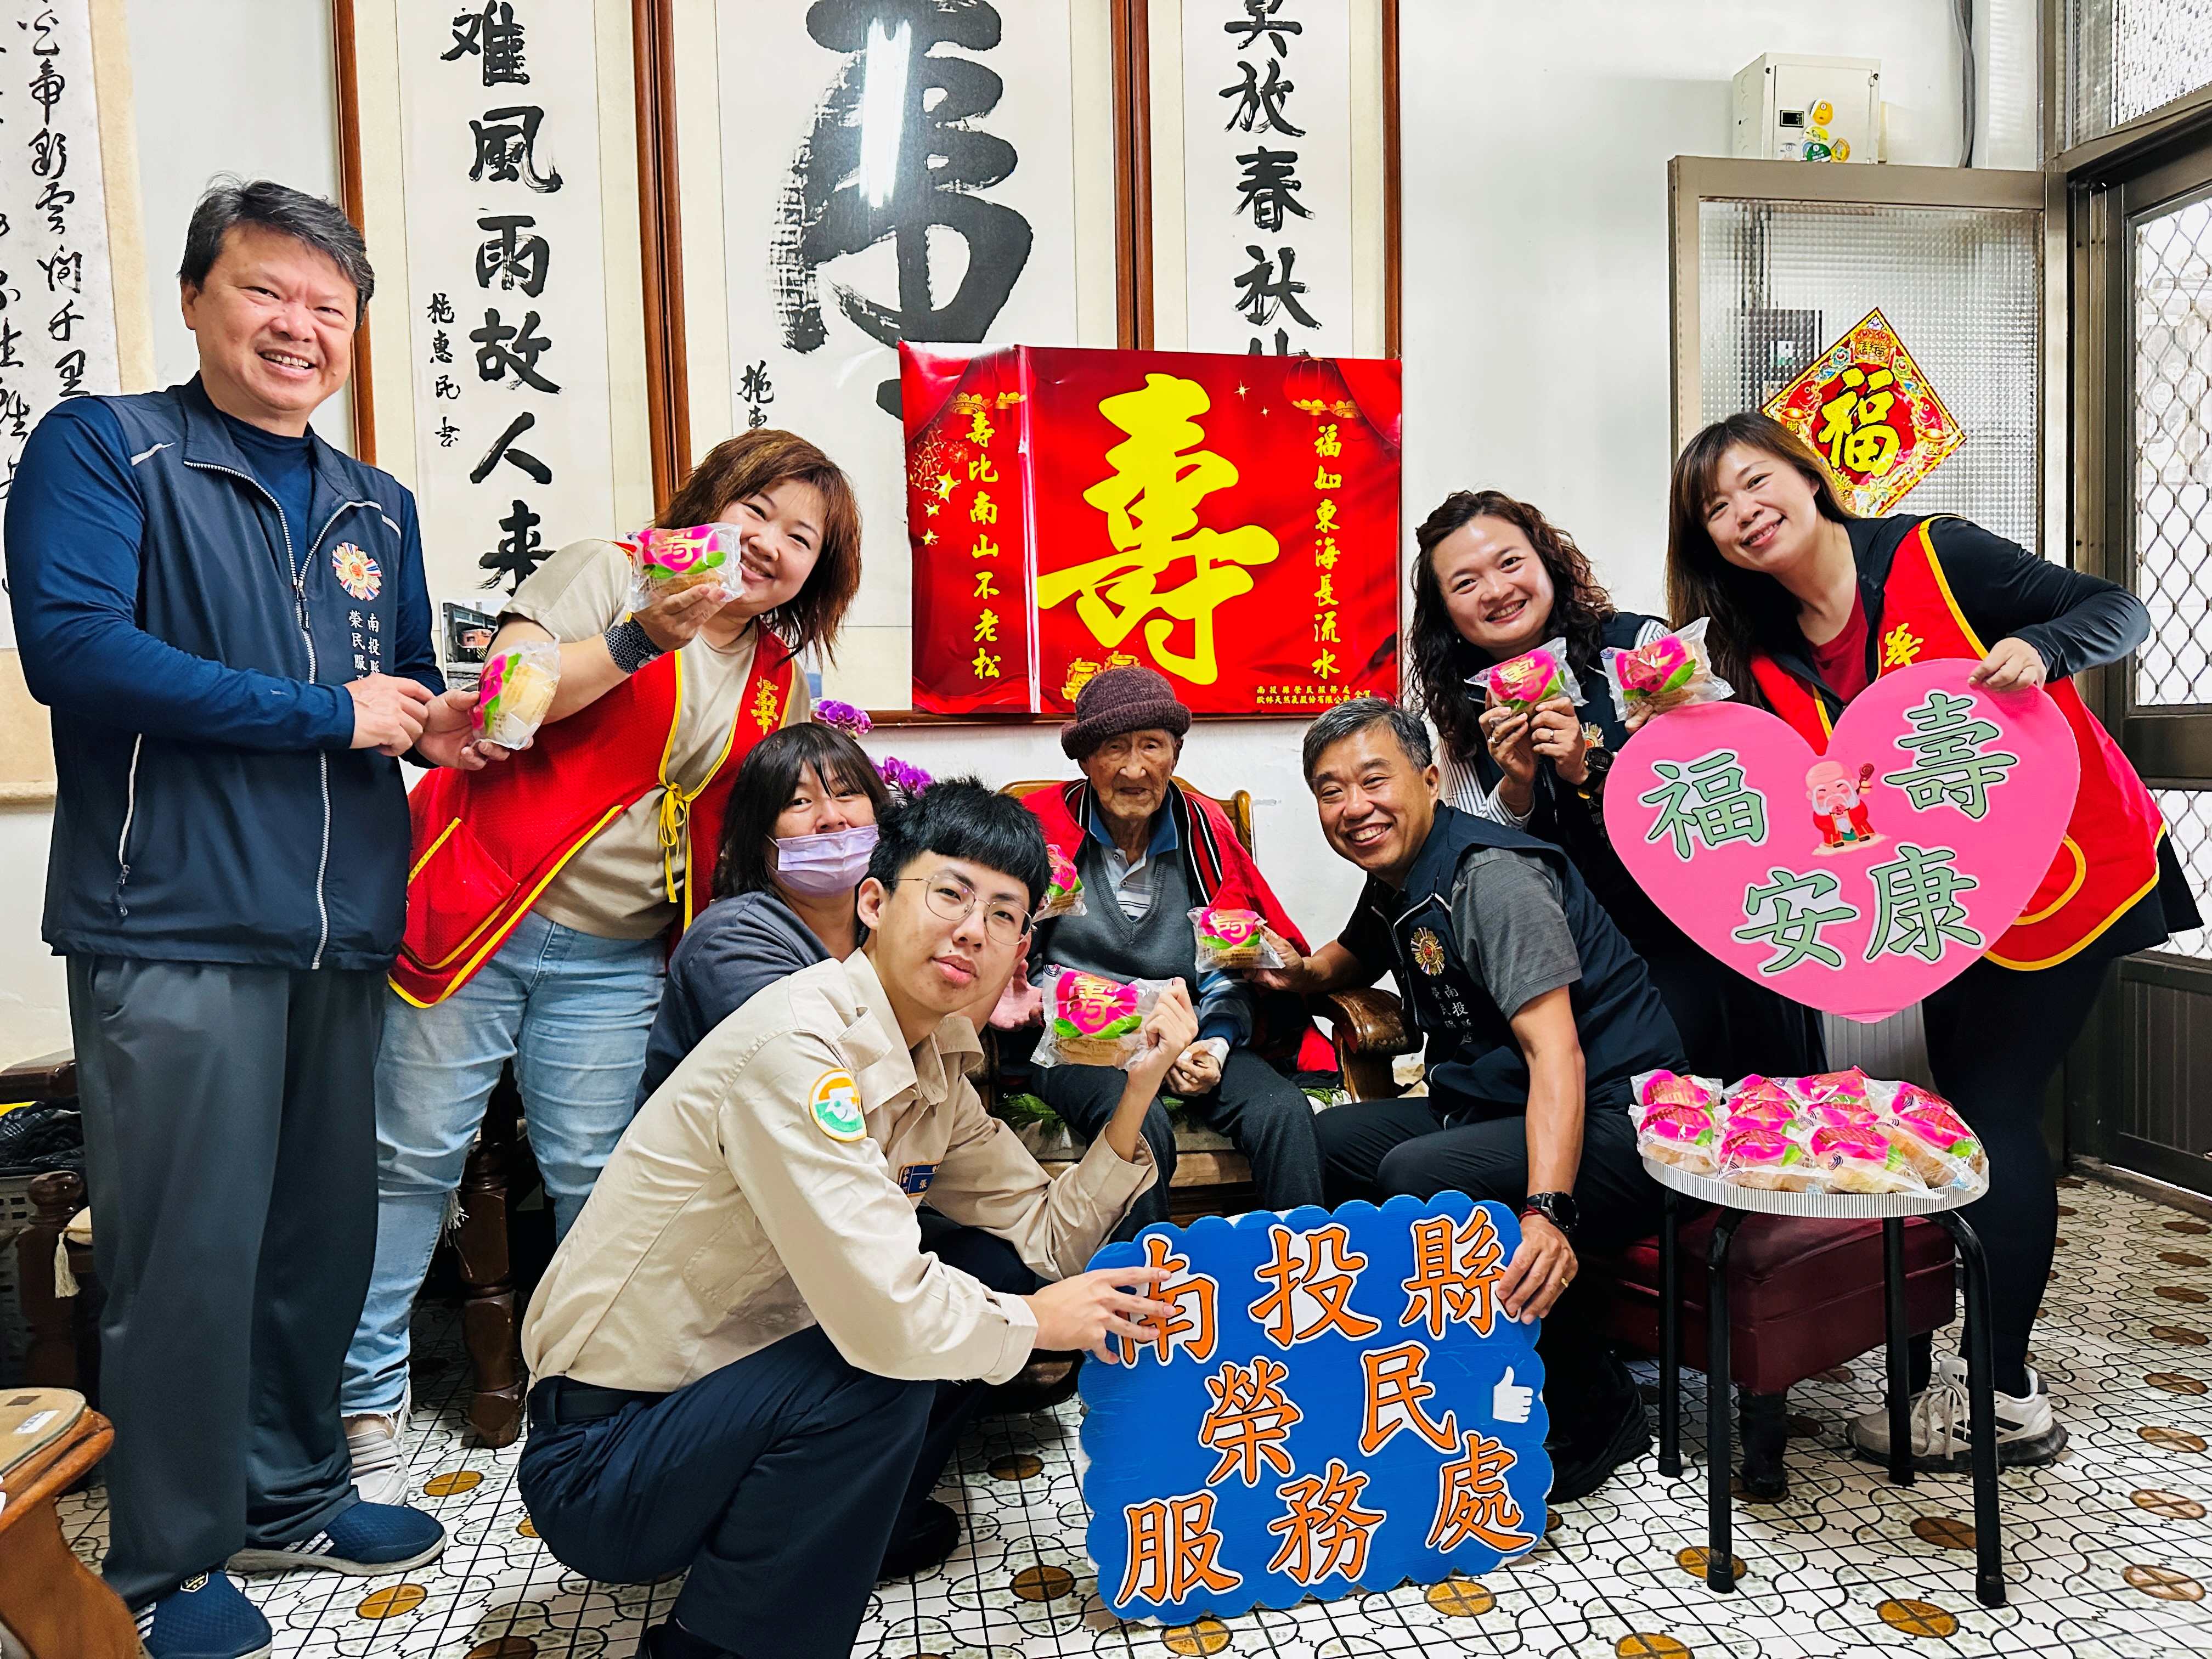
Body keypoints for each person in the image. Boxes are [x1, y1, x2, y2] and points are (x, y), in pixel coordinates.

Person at [4, 179, 489, 1658]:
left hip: (341, 925)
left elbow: (400, 687)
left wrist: (442, 724)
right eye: (266, 291)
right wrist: (327, 712)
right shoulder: (107, 449)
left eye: (328, 306)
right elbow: (75, 652)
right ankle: (169, 1559)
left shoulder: (376, 503)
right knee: (184, 1256)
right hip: (173, 922)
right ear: (198, 299)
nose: (299, 326)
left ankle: (291, 1493)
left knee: (315, 1241)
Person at [515, 780, 1199, 1659]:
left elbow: (1041, 1235)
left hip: (721, 1404)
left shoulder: (934, 1058)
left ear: (1019, 952)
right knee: (889, 1359)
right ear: (874, 902)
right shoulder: (799, 1047)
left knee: (985, 1274)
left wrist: (1138, 1089)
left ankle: (841, 1531)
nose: (972, 930)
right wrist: (1038, 1322)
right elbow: (887, 1315)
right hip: (606, 1454)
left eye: (1003, 915)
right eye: (949, 894)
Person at [1667, 411, 2201, 1469]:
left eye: (1755, 481)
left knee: (1993, 1106)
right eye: (1716, 508)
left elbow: (2116, 607)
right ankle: (1958, 1373)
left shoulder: (1934, 554)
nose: (1743, 513)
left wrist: (2041, 647)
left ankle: (2002, 1396)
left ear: (1808, 475)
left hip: (2066, 874)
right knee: (1960, 1106)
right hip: (1935, 906)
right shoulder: (1757, 650)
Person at [342, 429, 860, 1503]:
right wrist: (639, 636)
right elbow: (508, 698)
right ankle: (365, 1404)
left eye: (801, 538)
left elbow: (769, 829)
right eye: (756, 511)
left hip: (622, 952)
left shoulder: (779, 678)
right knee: (412, 1162)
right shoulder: (609, 571)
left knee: (603, 1177)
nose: (769, 544)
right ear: (710, 505)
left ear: (817, 573)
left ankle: (591, 1394)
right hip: (479, 911)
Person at [1259, 697, 1685, 1503]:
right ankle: (1409, 1368)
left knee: (1421, 1173)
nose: (1355, 807)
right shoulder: (1399, 874)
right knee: (1324, 1142)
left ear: (1428, 780)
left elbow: (1555, 1054)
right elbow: (1347, 958)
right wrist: (1283, 969)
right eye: (1331, 790)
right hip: (1498, 1107)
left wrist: (1548, 1210)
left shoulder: (1490, 878)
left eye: (1374, 780)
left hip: (1621, 1120)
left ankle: (1597, 1407)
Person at [1409, 488, 1824, 1079]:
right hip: (1579, 972)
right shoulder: (1461, 722)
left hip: (1704, 938)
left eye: (1510, 562)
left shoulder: (1638, 646)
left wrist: (1588, 769)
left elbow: (1724, 797)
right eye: (1466, 583)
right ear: (1446, 612)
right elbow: (1485, 880)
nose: (1497, 590)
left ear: (1547, 562)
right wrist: (1517, 789)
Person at [1001, 664, 1327, 1233]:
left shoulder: (1205, 832)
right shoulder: (1039, 828)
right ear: (1085, 761)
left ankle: (1304, 1271)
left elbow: (1230, 969)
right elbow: (1010, 956)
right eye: (1114, 748)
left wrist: (1215, 1046)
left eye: (1151, 745)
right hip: (1077, 1042)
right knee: (1139, 1121)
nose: (1134, 769)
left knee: (1283, 1112)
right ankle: (1148, 1284)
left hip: (1188, 1033)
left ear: (1175, 753)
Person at [634, 721, 891, 1102]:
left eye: (846, 793)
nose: (832, 817)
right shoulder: (729, 942)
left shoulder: (884, 918)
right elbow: (812, 1077)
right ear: (758, 836)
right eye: (799, 802)